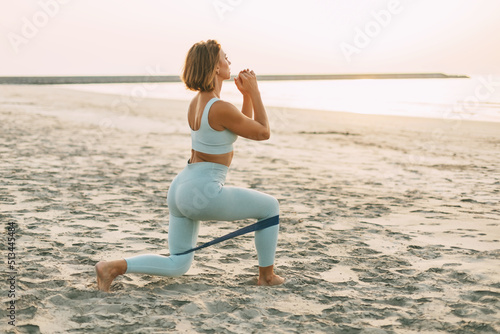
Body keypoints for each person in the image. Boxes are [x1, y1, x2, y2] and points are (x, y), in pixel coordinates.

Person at [95, 39, 284, 292]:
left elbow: (241, 125)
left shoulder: (198, 103)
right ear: (216, 68)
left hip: (181, 187)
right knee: (270, 207)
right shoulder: (220, 108)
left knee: (178, 264)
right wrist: (256, 91)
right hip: (204, 189)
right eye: (225, 58)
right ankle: (267, 276)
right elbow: (262, 132)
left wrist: (246, 96)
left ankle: (112, 267)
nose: (230, 62)